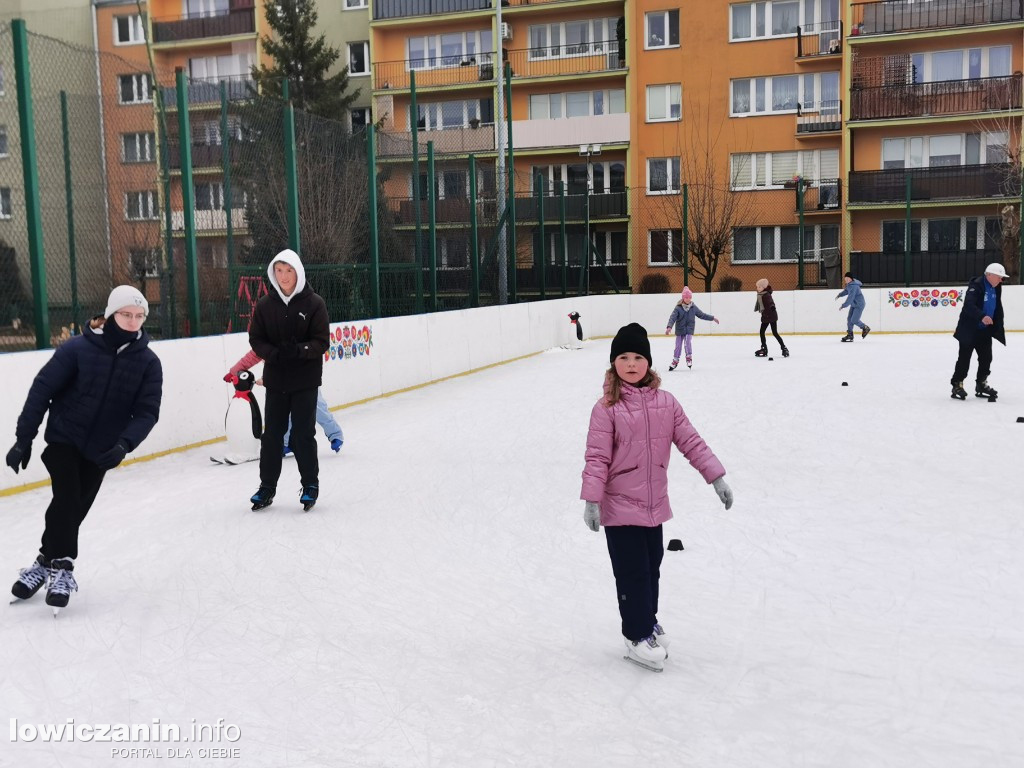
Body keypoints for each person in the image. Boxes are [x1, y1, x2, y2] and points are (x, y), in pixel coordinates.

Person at [580, 323, 734, 671]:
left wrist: (716, 477)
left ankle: (647, 620)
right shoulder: (606, 408)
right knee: (631, 573)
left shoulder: (666, 403)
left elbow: (691, 441)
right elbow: (596, 457)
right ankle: (636, 635)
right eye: (623, 357)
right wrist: (591, 499)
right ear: (613, 364)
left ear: (648, 362)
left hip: (653, 506)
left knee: (651, 569)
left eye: (638, 357)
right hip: (619, 507)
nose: (631, 364)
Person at [6, 285, 163, 611]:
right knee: (66, 497)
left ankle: (41, 563)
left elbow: (147, 412)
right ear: (110, 314)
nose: (132, 321)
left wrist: (124, 444)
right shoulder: (78, 349)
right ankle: (62, 567)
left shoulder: (149, 363)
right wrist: (25, 437)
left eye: (138, 316)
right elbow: (43, 389)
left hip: (103, 450)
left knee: (73, 509)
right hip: (64, 437)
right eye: (125, 314)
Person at [248, 249, 330, 510]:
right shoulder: (264, 305)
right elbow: (256, 339)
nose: (283, 276)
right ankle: (266, 487)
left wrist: (299, 351)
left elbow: (321, 341)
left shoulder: (314, 303)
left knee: (303, 434)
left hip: (305, 380)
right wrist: (273, 354)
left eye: (289, 270)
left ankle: (310, 485)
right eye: (279, 270)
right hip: (277, 381)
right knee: (272, 435)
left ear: (298, 272)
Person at [224, 350, 343, 454]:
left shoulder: (291, 331)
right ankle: (285, 444)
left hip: (305, 377)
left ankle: (335, 435)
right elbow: (253, 355)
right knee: (285, 411)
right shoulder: (266, 338)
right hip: (283, 381)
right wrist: (234, 371)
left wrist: (266, 379)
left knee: (317, 407)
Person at [951, 262, 1007, 400]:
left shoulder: (997, 287)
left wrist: (997, 324)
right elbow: (969, 305)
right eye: (1000, 277)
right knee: (964, 359)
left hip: (984, 331)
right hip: (969, 330)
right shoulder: (976, 285)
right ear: (990, 275)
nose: (1001, 280)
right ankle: (957, 384)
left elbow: (996, 306)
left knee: (986, 358)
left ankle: (981, 383)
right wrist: (982, 316)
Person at [664, 286, 719, 370]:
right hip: (680, 330)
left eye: (689, 297)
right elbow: (672, 318)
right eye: (686, 297)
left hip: (689, 329)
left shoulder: (693, 307)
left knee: (687, 342)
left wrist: (712, 318)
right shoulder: (678, 308)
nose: (688, 299)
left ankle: (688, 357)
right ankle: (675, 360)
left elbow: (702, 315)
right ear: (683, 298)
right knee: (678, 346)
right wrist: (669, 327)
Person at [754, 278, 789, 358]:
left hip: (771, 315)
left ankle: (784, 348)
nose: (757, 288)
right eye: (757, 287)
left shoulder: (766, 295)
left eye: (759, 287)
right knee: (762, 332)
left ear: (764, 287)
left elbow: (771, 302)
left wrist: (772, 307)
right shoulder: (760, 295)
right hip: (766, 316)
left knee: (774, 333)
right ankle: (764, 348)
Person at [836, 271, 870, 342]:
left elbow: (850, 298)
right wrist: (839, 295)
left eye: (848, 279)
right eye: (845, 279)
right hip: (854, 304)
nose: (846, 280)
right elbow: (846, 291)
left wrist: (843, 305)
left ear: (851, 279)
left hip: (859, 305)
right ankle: (850, 335)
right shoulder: (849, 285)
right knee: (849, 319)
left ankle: (865, 327)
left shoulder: (854, 286)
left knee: (854, 320)